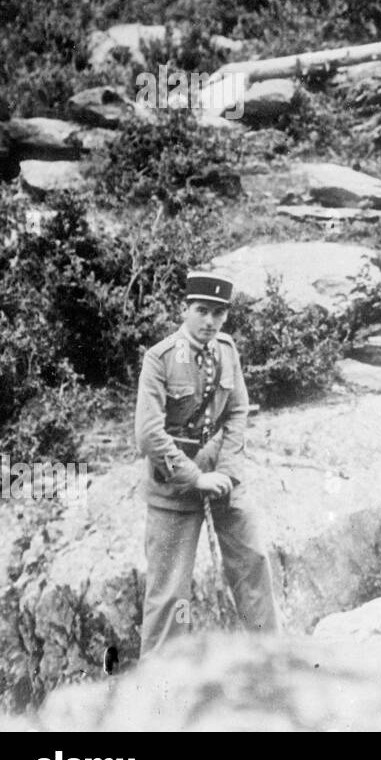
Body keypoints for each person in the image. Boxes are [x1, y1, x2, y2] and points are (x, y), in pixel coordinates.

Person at [135, 270, 281, 655]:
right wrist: (196, 477)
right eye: (201, 311)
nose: (209, 322)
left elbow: (236, 413)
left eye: (219, 314)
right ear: (184, 310)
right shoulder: (160, 358)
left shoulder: (227, 350)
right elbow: (148, 434)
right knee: (169, 594)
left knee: (253, 563)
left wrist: (229, 472)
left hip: (224, 476)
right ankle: (159, 689)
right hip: (174, 485)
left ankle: (272, 665)